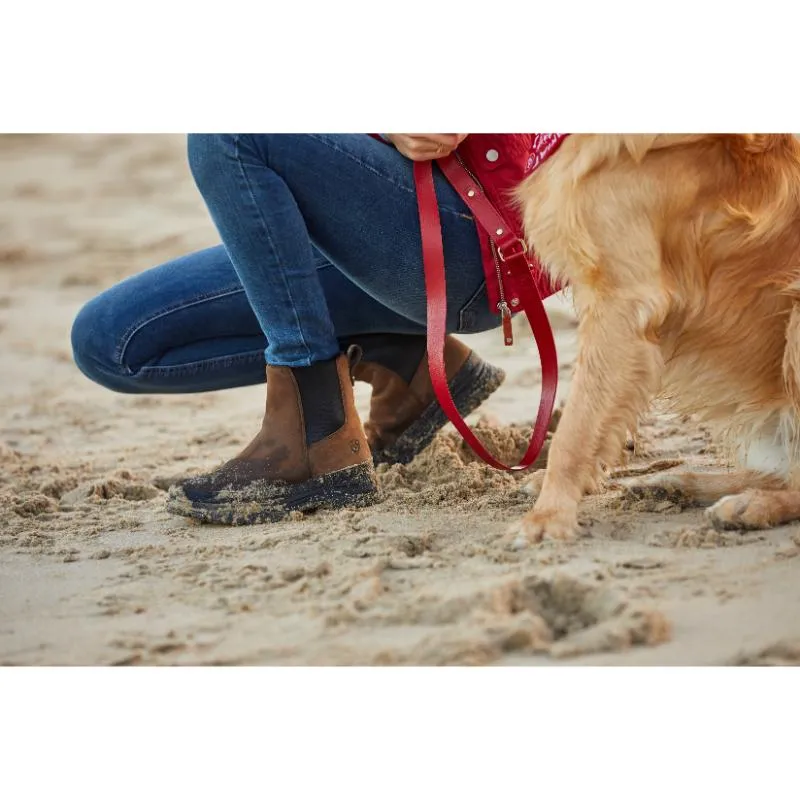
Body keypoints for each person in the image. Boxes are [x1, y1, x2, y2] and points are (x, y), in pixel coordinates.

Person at [71, 134, 556, 525]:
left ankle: (315, 431)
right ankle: (404, 361)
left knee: (228, 131)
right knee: (110, 341)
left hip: (470, 231)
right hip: (374, 218)